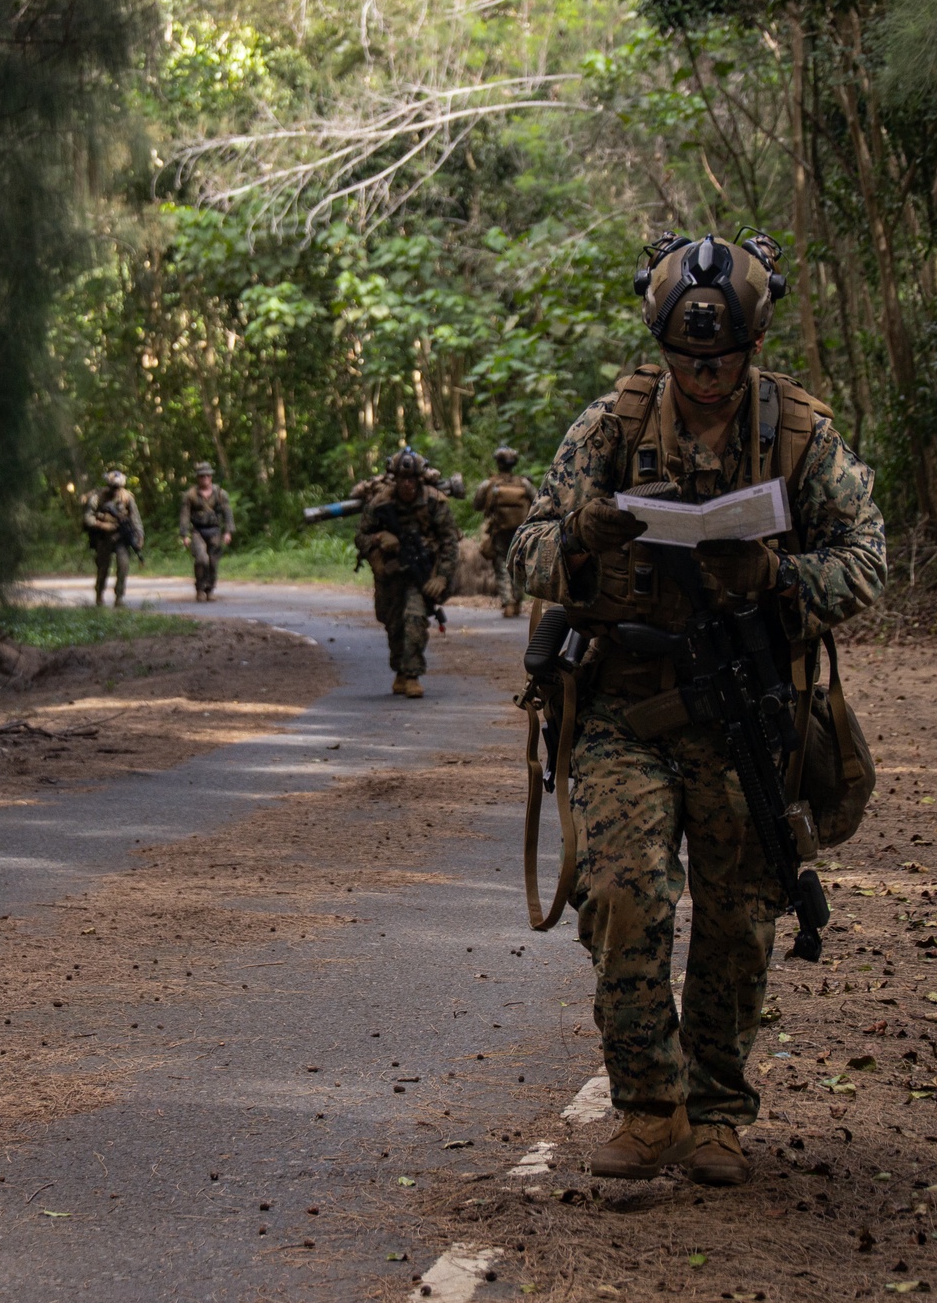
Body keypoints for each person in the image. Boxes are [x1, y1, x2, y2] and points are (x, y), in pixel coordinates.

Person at [509, 230, 886, 1186]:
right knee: (626, 895)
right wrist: (580, 541)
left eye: (721, 359)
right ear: (662, 348)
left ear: (752, 348)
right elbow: (523, 554)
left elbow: (868, 560)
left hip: (746, 713)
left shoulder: (799, 433)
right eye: (686, 358)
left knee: (740, 917)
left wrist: (781, 575)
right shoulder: (613, 425)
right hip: (625, 707)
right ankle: (649, 1107)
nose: (704, 375)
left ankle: (718, 1107)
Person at [355, 448, 460, 699]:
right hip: (391, 574)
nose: (407, 485)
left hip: (421, 572)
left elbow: (449, 543)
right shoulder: (380, 503)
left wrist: (441, 577)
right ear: (395, 479)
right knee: (393, 624)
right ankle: (400, 671)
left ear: (419, 479)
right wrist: (380, 538)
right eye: (403, 480)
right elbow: (361, 537)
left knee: (414, 618)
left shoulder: (435, 502)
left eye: (412, 479)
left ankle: (413, 674)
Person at [472, 447, 537, 618]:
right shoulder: (524, 483)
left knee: (501, 565)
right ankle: (517, 601)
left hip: (499, 530)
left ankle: (507, 602)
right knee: (518, 563)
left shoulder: (489, 484)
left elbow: (477, 504)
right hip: (521, 531)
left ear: (498, 463)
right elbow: (537, 500)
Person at [83, 469, 145, 608]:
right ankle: (99, 595)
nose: (115, 490)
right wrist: (102, 524)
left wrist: (140, 536)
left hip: (121, 538)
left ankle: (119, 597)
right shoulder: (97, 497)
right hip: (103, 538)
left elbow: (135, 519)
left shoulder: (127, 497)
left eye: (118, 488)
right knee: (103, 568)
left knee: (123, 565)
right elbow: (88, 518)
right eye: (113, 487)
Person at [179, 462, 235, 602]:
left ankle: (210, 589)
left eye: (207, 475)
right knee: (201, 559)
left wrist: (228, 532)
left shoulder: (220, 494)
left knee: (213, 562)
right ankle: (200, 588)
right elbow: (185, 515)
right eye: (201, 476)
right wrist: (184, 534)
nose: (204, 478)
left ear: (211, 477)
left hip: (215, 531)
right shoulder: (190, 495)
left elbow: (228, 513)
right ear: (198, 478)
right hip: (198, 531)